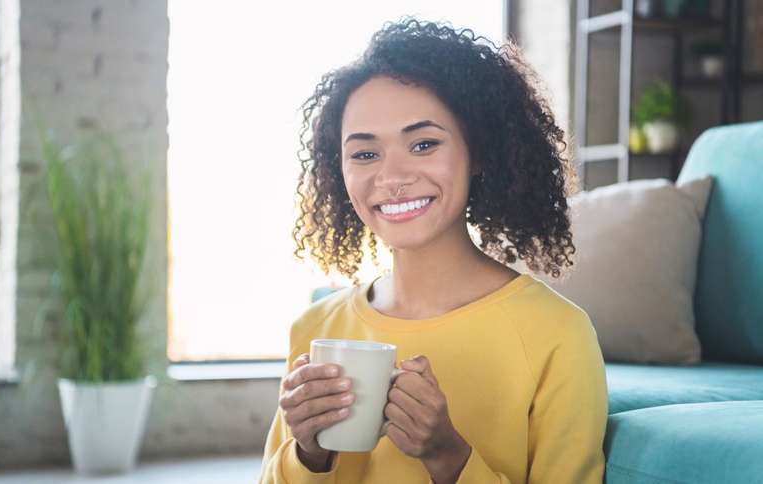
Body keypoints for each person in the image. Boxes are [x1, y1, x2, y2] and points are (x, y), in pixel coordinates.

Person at [259, 17, 607, 484]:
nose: (391, 177)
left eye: (423, 144)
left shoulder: (557, 333)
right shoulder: (316, 329)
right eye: (365, 154)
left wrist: (449, 457)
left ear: (478, 151)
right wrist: (308, 454)